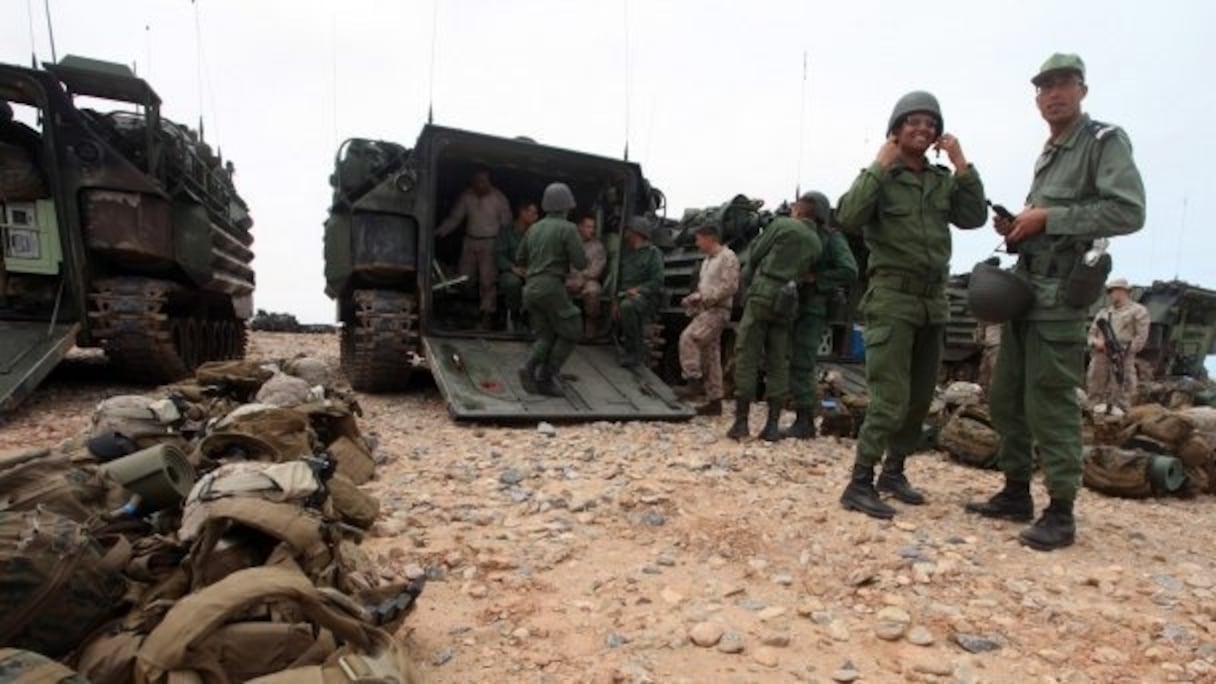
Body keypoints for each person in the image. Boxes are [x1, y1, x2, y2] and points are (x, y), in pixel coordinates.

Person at [966, 54, 1146, 551]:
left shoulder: (1103, 142)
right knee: (1006, 398)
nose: (1054, 94)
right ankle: (1016, 491)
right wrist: (1020, 227)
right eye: (1044, 87)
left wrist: (1049, 216)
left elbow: (1128, 211)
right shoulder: (1050, 152)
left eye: (1064, 84)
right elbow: (1049, 219)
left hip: (1062, 301)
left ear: (1082, 90)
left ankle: (1061, 510)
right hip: (1027, 292)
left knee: (1050, 402)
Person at [835, 90, 986, 519]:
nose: (922, 129)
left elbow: (972, 216)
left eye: (930, 123)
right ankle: (859, 481)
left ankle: (893, 472)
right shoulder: (881, 178)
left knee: (920, 398)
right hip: (892, 298)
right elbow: (848, 217)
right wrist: (879, 164)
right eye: (912, 122)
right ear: (896, 129)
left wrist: (961, 164)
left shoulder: (939, 181)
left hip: (933, 301)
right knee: (891, 396)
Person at [728, 196, 822, 441]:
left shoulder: (782, 225)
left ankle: (741, 423)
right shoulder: (816, 242)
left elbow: (756, 253)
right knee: (778, 359)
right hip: (789, 301)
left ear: (799, 210)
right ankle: (771, 426)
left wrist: (748, 284)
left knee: (747, 353)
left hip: (764, 293)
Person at [784, 191, 858, 439]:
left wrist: (818, 279)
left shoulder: (831, 238)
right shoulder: (798, 234)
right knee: (792, 360)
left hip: (813, 307)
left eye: (798, 208)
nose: (793, 211)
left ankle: (805, 421)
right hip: (794, 305)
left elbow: (849, 270)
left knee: (803, 362)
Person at [516, 183, 587, 397]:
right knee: (572, 329)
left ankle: (528, 367)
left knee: (546, 336)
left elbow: (520, 258)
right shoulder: (568, 228)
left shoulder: (534, 228)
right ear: (566, 206)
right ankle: (546, 375)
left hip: (530, 288)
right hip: (552, 287)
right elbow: (581, 262)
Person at [436, 167, 512, 330]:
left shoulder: (499, 198)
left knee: (487, 281)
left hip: (490, 243)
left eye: (483, 181)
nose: (480, 184)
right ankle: (464, 314)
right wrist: (439, 232)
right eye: (477, 181)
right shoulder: (467, 196)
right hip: (470, 241)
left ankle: (487, 315)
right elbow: (455, 218)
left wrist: (504, 247)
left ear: (489, 181)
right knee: (464, 279)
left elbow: (507, 224)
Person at [676, 224, 740, 416]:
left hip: (717, 310)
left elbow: (730, 286)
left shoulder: (727, 257)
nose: (696, 243)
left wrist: (705, 298)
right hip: (706, 310)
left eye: (698, 239)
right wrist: (694, 298)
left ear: (709, 238)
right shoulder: (707, 261)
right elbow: (707, 288)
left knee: (689, 338)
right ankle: (715, 401)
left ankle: (692, 381)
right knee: (711, 357)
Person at [1086, 278, 1150, 410]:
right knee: (1095, 385)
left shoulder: (1138, 311)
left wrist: (1125, 350)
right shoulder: (1103, 312)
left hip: (1123, 356)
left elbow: (1141, 337)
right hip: (1101, 355)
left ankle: (1118, 418)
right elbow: (1091, 334)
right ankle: (1092, 415)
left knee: (1122, 389)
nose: (1110, 294)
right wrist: (1096, 342)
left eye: (1112, 291)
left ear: (1122, 291)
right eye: (1109, 291)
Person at [613, 219, 665, 368]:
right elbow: (619, 280)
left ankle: (634, 353)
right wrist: (615, 300)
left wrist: (639, 290)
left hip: (645, 298)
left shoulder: (653, 254)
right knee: (624, 305)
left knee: (628, 306)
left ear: (637, 233)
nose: (626, 234)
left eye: (629, 231)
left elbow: (657, 281)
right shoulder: (627, 253)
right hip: (623, 296)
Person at [496, 201, 539, 330]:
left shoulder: (538, 233)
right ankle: (515, 314)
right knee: (512, 283)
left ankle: (533, 318)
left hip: (532, 271)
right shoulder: (507, 232)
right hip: (511, 270)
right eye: (533, 213)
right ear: (522, 212)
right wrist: (513, 268)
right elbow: (498, 255)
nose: (536, 217)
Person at [566, 214, 608, 337]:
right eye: (588, 227)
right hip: (568, 278)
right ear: (580, 227)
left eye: (593, 227)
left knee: (593, 291)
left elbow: (596, 269)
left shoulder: (597, 246)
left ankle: (591, 323)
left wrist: (582, 278)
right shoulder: (568, 243)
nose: (592, 230)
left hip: (588, 279)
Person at [976, 320, 1002, 395]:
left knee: (995, 373)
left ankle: (993, 395)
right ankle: (985, 393)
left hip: (996, 345)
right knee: (984, 371)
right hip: (987, 346)